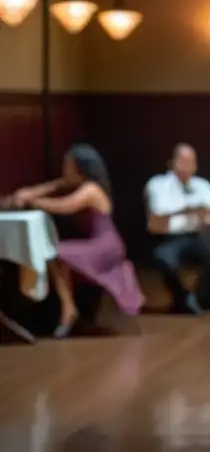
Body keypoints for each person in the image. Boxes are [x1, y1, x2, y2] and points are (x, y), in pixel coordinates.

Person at [9, 144, 144, 337]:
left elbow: (65, 206)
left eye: (67, 165)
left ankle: (68, 310)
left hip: (106, 245)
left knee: (55, 253)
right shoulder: (75, 184)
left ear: (79, 167)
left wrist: (33, 202)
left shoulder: (91, 189)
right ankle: (69, 308)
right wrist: (26, 194)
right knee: (56, 255)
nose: (64, 169)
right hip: (99, 243)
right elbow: (46, 188)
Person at [145, 143, 210, 314]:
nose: (187, 166)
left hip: (196, 235)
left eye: (191, 162)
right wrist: (188, 209)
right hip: (168, 237)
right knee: (165, 259)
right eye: (182, 160)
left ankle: (199, 297)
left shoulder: (202, 185)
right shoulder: (157, 184)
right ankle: (182, 298)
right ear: (172, 163)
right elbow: (158, 212)